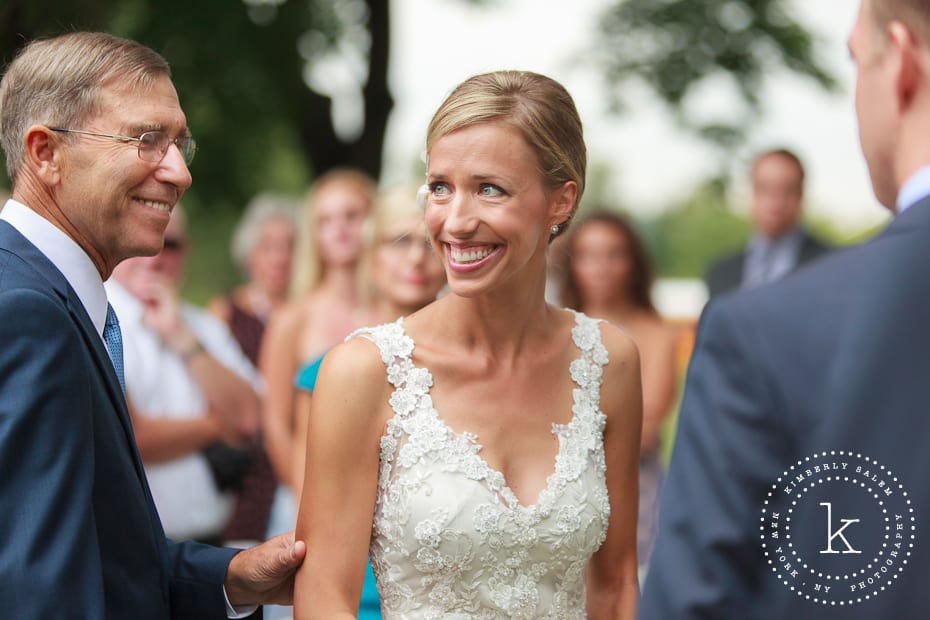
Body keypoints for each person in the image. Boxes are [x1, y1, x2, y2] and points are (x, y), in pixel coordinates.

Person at [294, 70, 642, 619]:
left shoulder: (609, 361)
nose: (455, 223)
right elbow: (323, 600)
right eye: (439, 187)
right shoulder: (364, 372)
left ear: (561, 200)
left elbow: (616, 583)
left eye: (489, 188)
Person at [640, 1, 930, 618]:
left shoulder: (762, 331)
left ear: (900, 61)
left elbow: (697, 601)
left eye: (858, 62)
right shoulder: (737, 288)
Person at [0, 31, 303, 618]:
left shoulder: (46, 296)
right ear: (45, 153)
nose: (179, 173)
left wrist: (233, 577)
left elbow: (100, 549)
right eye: (147, 139)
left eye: (178, 145)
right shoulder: (25, 312)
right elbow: (38, 588)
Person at [290, 183, 447, 619]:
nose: (416, 257)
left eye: (428, 244)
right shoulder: (331, 371)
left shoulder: (474, 371)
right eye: (399, 243)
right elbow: (311, 509)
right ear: (370, 254)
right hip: (358, 598)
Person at [107, 207, 263, 544]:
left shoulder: (202, 326)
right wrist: (215, 424)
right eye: (141, 236)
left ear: (186, 250)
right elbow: (128, 438)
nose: (154, 254)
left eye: (170, 242)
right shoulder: (96, 320)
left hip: (209, 542)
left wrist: (182, 338)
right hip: (131, 549)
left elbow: (249, 419)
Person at [561, 211, 679, 578]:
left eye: (614, 254)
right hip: (559, 498)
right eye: (588, 255)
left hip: (635, 495)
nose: (601, 267)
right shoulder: (554, 327)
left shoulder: (657, 333)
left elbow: (644, 431)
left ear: (633, 263)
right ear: (573, 263)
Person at [208, 192, 297, 545]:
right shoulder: (225, 313)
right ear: (249, 254)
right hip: (245, 472)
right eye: (267, 247)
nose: (279, 257)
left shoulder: (309, 312)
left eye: (288, 246)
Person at [704, 148, 830, 298]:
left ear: (801, 195)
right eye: (764, 189)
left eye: (787, 190)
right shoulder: (720, 273)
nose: (775, 202)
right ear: (751, 192)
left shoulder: (829, 266)